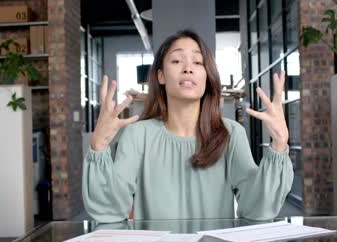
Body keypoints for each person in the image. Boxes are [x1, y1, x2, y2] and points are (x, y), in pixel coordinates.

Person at [83, 30, 293, 223]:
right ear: (161, 76)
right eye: (176, 60)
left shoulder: (230, 134)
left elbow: (257, 209)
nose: (188, 68)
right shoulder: (137, 135)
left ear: (207, 76)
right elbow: (109, 211)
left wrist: (279, 145)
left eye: (198, 62)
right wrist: (99, 145)